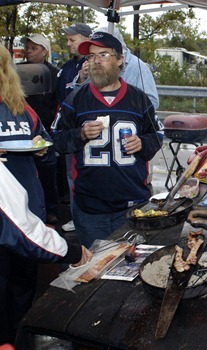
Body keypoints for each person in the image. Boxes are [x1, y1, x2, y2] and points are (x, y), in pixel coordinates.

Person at [51, 32, 164, 247]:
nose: (96, 62)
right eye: (91, 57)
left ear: (120, 59)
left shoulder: (138, 98)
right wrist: (80, 134)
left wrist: (143, 143)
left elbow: (157, 134)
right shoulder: (76, 99)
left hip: (133, 205)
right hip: (90, 208)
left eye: (103, 54)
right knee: (95, 269)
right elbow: (56, 139)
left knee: (131, 266)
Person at [0, 42, 74, 344]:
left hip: (30, 214)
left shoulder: (22, 109)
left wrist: (44, 151)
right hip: (5, 219)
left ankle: (14, 347)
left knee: (22, 289)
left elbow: (46, 145)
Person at [18, 33, 60, 225]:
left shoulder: (54, 73)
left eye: (34, 48)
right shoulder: (16, 71)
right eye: (27, 48)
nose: (29, 51)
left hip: (46, 129)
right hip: (22, 130)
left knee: (47, 174)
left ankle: (51, 210)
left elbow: (59, 101)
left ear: (44, 51)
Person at [56, 22, 94, 233]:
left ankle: (84, 216)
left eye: (73, 39)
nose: (68, 44)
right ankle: (75, 214)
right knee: (71, 176)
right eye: (67, 40)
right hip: (68, 129)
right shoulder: (66, 67)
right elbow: (61, 97)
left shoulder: (93, 65)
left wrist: (83, 78)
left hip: (89, 131)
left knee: (83, 173)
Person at [89, 26, 159, 110]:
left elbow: (152, 102)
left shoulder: (139, 68)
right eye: (92, 55)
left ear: (120, 59)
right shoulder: (96, 64)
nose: (97, 60)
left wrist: (121, 113)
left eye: (103, 54)